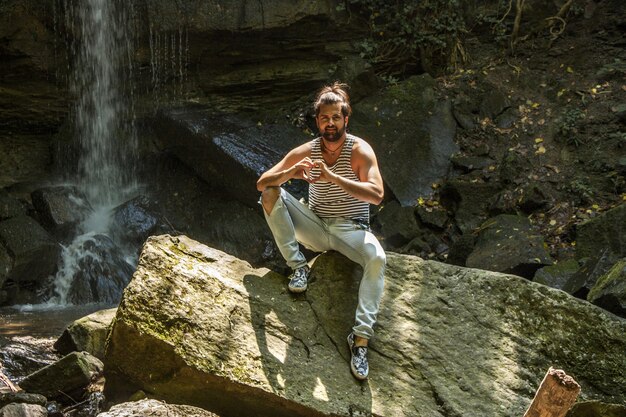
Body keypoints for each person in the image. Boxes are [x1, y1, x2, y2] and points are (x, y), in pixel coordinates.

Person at [256, 82, 386, 381]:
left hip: (350, 230)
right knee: (271, 193)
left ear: (346, 120)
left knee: (377, 258)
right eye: (324, 118)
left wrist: (332, 177)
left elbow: (377, 194)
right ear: (318, 121)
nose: (330, 123)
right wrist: (292, 172)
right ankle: (298, 267)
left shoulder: (359, 150)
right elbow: (263, 182)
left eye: (336, 118)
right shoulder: (308, 150)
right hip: (315, 225)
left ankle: (360, 339)